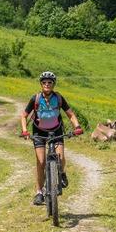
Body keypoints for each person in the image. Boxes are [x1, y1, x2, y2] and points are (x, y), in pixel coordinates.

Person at [21, 71, 83, 206]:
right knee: (41, 162)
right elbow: (24, 116)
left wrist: (77, 126)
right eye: (44, 82)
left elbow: (71, 115)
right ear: (41, 84)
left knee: (60, 158)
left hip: (56, 131)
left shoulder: (59, 98)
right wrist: (25, 131)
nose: (47, 84)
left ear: (53, 84)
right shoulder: (35, 98)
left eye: (50, 82)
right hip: (39, 132)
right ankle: (39, 192)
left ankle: (62, 173)